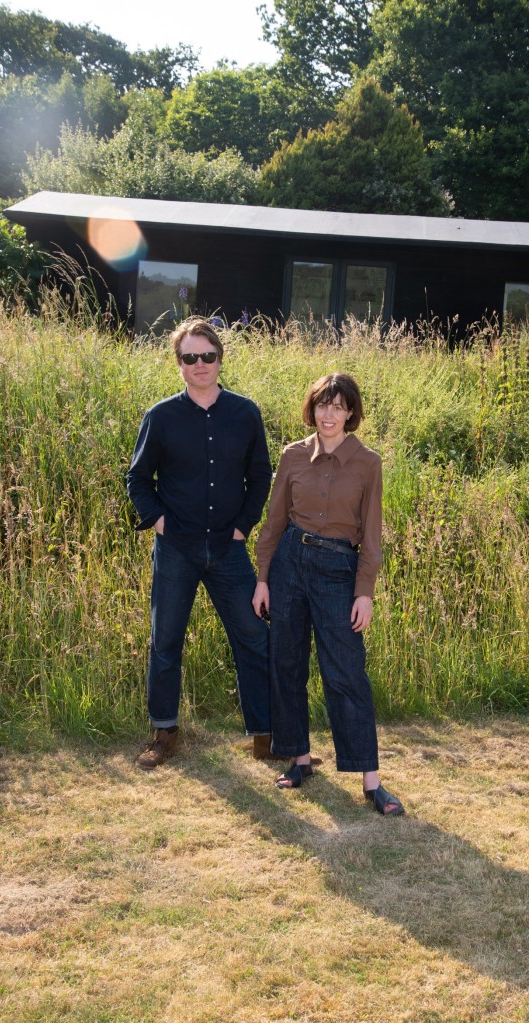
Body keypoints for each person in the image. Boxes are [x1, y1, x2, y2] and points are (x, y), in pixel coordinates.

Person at [127, 316, 277, 768]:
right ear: (179, 363)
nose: (200, 364)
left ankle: (266, 737)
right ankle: (164, 734)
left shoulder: (245, 412)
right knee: (166, 640)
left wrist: (243, 527)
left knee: (253, 636)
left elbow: (260, 475)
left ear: (219, 357)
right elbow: (137, 478)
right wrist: (158, 522)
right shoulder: (161, 416)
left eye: (207, 355)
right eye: (190, 357)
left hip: (228, 549)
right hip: (176, 547)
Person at [252, 373, 404, 816]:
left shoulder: (367, 463)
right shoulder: (293, 456)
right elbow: (274, 522)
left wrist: (365, 592)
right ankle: (299, 759)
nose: (329, 414)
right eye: (322, 405)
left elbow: (372, 536)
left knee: (346, 672)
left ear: (352, 412)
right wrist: (263, 576)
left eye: (338, 406)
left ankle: (371, 781)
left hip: (339, 570)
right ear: (312, 409)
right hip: (289, 566)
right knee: (286, 663)